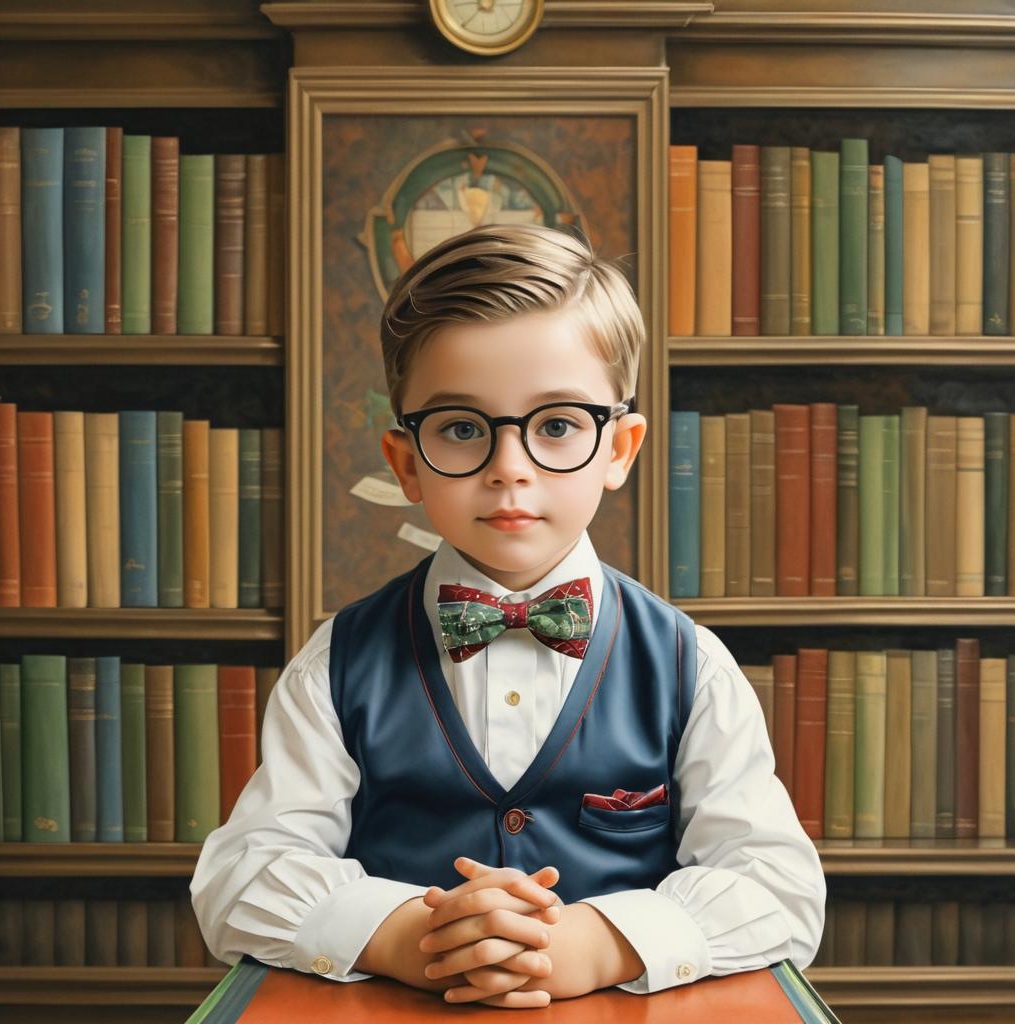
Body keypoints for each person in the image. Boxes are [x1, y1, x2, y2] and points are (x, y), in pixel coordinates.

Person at [190, 222, 826, 1009]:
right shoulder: (337, 662)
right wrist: (403, 936)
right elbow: (242, 873)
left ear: (621, 448)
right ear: (406, 463)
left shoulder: (689, 664)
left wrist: (601, 943)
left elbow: (781, 884)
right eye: (461, 429)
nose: (509, 469)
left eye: (557, 425)